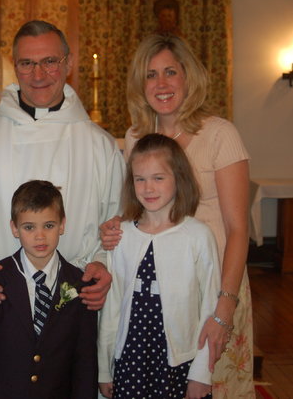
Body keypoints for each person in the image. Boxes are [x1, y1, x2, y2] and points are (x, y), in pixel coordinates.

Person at [0, 20, 125, 398]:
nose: (38, 74)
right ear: (15, 66)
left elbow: (118, 227)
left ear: (68, 63)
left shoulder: (99, 146)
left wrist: (103, 265)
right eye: (27, 63)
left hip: (71, 310)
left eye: (49, 62)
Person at [100, 33, 254, 398]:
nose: (162, 84)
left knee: (214, 386)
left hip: (216, 283)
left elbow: (237, 228)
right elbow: (138, 207)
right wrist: (116, 226)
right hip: (160, 290)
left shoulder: (219, 134)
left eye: (170, 72)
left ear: (188, 76)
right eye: (151, 75)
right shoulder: (137, 136)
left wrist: (223, 308)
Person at [98, 133, 220, 399]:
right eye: (140, 179)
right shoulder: (122, 235)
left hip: (178, 364)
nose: (148, 188)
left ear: (179, 178)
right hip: (130, 360)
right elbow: (113, 306)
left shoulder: (198, 236)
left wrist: (201, 374)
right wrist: (104, 368)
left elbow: (210, 308)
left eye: (158, 178)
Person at [0, 180, 98, 398]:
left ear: (62, 225)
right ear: (14, 228)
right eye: (29, 227)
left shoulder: (80, 284)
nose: (40, 236)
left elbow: (85, 360)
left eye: (49, 226)